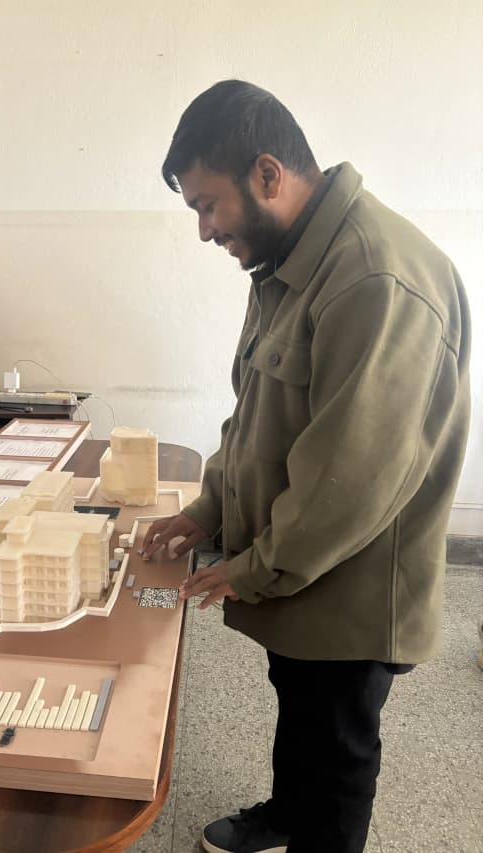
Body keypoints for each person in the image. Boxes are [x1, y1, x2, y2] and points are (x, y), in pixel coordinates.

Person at [142, 80, 471, 853]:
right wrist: (209, 511)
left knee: (340, 745)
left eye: (207, 205)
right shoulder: (287, 259)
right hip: (303, 573)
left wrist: (255, 566)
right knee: (300, 704)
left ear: (267, 174)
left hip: (353, 584)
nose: (202, 229)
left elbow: (351, 479)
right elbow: (257, 415)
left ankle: (315, 827)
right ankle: (286, 812)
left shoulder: (372, 279)